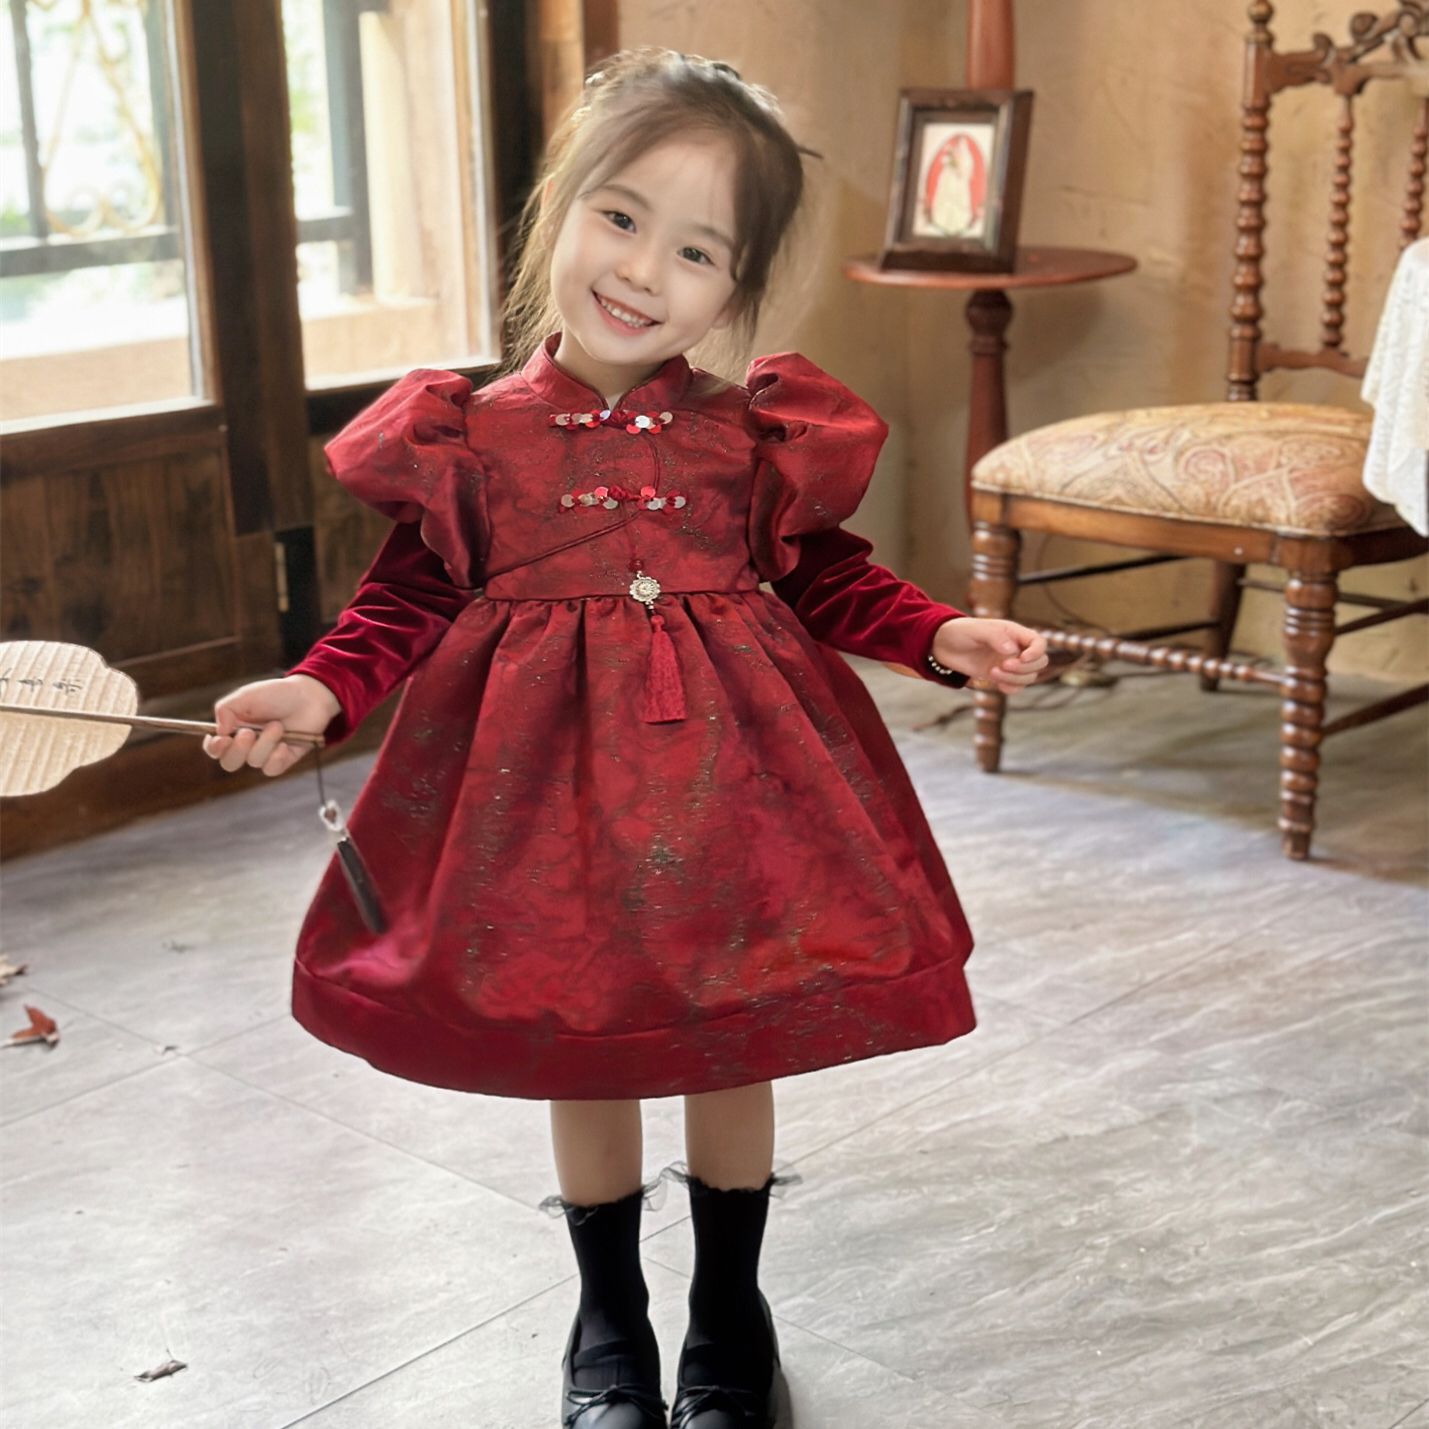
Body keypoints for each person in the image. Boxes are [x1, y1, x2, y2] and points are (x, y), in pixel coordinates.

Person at [203, 48, 1047, 1429]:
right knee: (577, 1032)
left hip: (734, 800)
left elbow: (822, 574)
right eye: (621, 217)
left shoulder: (749, 436)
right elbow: (404, 597)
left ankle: (730, 1311)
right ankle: (608, 1318)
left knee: (729, 1038)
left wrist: (935, 630)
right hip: (544, 811)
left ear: (736, 287)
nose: (645, 270)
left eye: (698, 251)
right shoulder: (470, 439)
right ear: (562, 210)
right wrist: (318, 691)